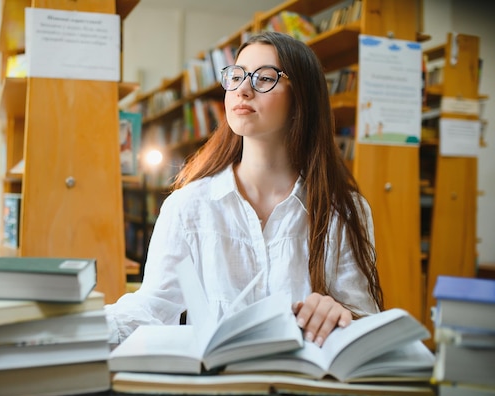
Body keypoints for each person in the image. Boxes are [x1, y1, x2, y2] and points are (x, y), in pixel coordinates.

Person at [105, 31, 383, 348]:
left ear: (302, 96)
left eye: (264, 78)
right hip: (216, 389)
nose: (243, 90)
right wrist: (69, 329)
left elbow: (366, 320)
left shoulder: (344, 210)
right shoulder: (188, 206)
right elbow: (151, 308)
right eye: (235, 76)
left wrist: (342, 314)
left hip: (302, 387)